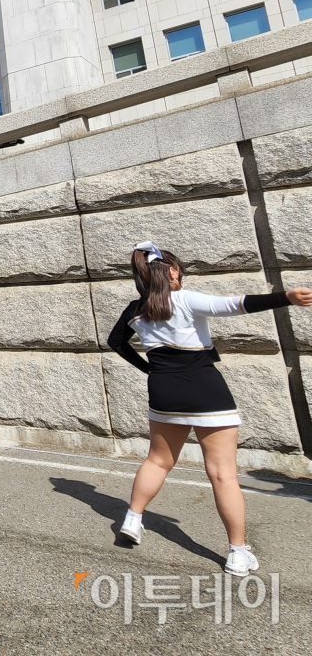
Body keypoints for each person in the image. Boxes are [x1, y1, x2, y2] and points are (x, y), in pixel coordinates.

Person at [107, 241, 312, 577]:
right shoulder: (187, 299)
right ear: (171, 271)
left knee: (157, 460)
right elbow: (236, 304)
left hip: (163, 391)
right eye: (179, 268)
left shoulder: (136, 309)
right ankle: (237, 553)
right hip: (205, 390)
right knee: (222, 473)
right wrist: (286, 298)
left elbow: (116, 342)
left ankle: (133, 518)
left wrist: (149, 370)